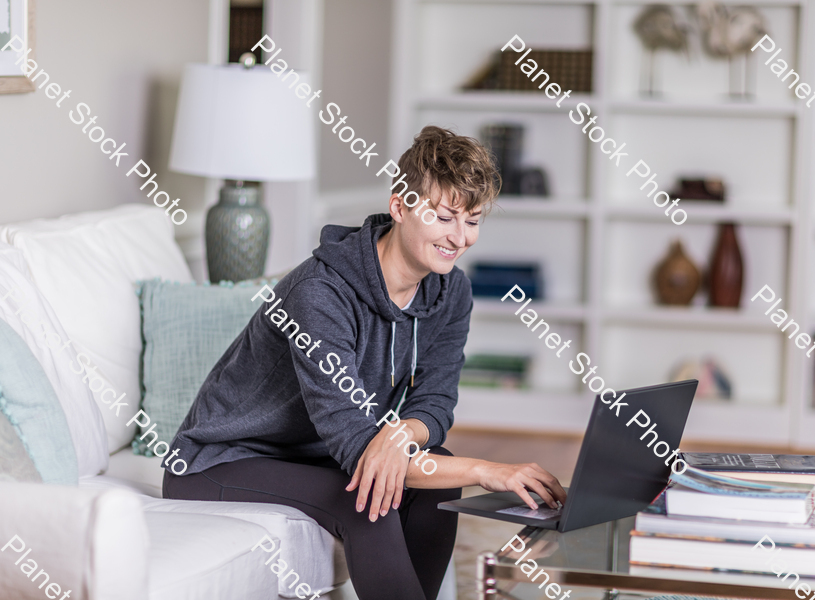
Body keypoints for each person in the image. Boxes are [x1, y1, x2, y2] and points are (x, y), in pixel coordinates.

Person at [162, 126, 567, 600]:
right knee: (368, 500)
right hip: (223, 459)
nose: (459, 238)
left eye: (472, 221)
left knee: (437, 478)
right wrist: (489, 471)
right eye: (442, 217)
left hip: (315, 454)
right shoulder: (319, 294)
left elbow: (435, 400)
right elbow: (357, 448)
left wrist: (402, 434)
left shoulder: (450, 289)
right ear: (400, 206)